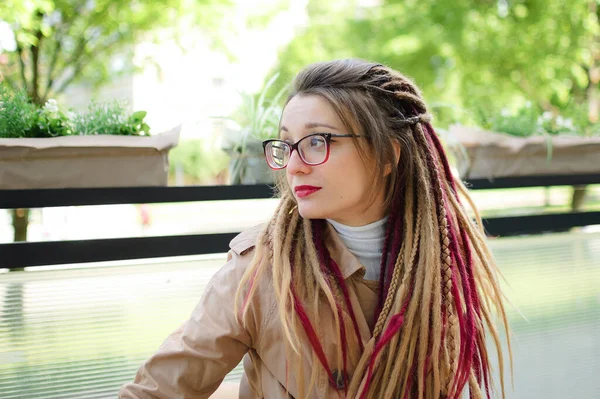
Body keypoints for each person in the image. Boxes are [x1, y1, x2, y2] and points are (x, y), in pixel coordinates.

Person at [119, 59, 511, 399]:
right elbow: (163, 386)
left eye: (318, 141)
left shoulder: (442, 263)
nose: (294, 165)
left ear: (388, 154)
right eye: (288, 145)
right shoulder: (260, 269)